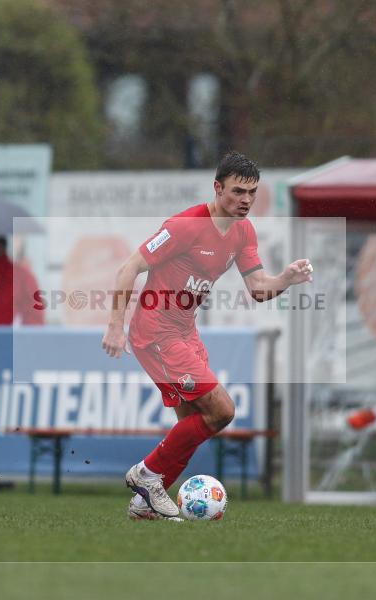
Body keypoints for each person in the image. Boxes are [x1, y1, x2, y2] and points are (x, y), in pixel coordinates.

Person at [101, 151, 313, 520]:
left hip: (185, 331)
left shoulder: (243, 231)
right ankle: (147, 474)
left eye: (252, 192)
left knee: (193, 424)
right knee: (222, 411)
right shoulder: (185, 226)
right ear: (217, 188)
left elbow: (258, 288)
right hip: (156, 332)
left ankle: (146, 503)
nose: (245, 200)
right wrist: (115, 326)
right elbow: (129, 267)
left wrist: (286, 279)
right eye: (237, 191)